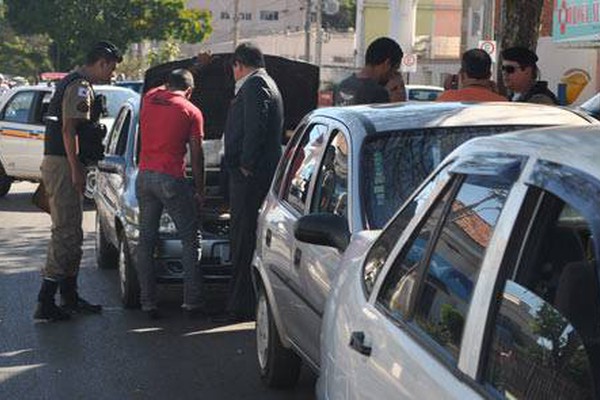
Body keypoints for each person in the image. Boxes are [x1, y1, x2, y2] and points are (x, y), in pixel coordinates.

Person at [35, 41, 122, 321]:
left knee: (73, 232)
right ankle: (46, 301)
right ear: (101, 63)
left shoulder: (75, 81)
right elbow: (69, 128)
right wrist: (75, 168)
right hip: (63, 164)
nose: (112, 75)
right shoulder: (80, 85)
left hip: (63, 163)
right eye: (111, 69)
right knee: (66, 232)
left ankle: (69, 297)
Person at [219, 42, 283, 323]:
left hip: (250, 178)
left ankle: (239, 304)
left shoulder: (256, 85)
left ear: (239, 64)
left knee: (243, 238)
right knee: (242, 237)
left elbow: (256, 126)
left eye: (233, 68)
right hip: (251, 175)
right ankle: (238, 300)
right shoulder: (262, 82)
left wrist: (246, 163)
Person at [136, 69, 205, 320]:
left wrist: (196, 64)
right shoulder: (191, 111)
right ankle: (192, 303)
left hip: (144, 178)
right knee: (190, 240)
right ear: (189, 91)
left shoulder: (149, 97)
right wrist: (199, 189)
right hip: (171, 180)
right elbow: (196, 156)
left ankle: (148, 302)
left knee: (146, 240)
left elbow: (160, 84)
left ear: (167, 84)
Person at [334, 37, 405, 105]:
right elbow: (385, 116)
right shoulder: (378, 93)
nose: (393, 75)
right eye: (395, 70)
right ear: (387, 63)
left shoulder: (343, 85)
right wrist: (394, 102)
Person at [437, 49, 507, 102]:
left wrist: (448, 92)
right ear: (489, 75)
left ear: (462, 75)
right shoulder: (501, 102)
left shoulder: (446, 99)